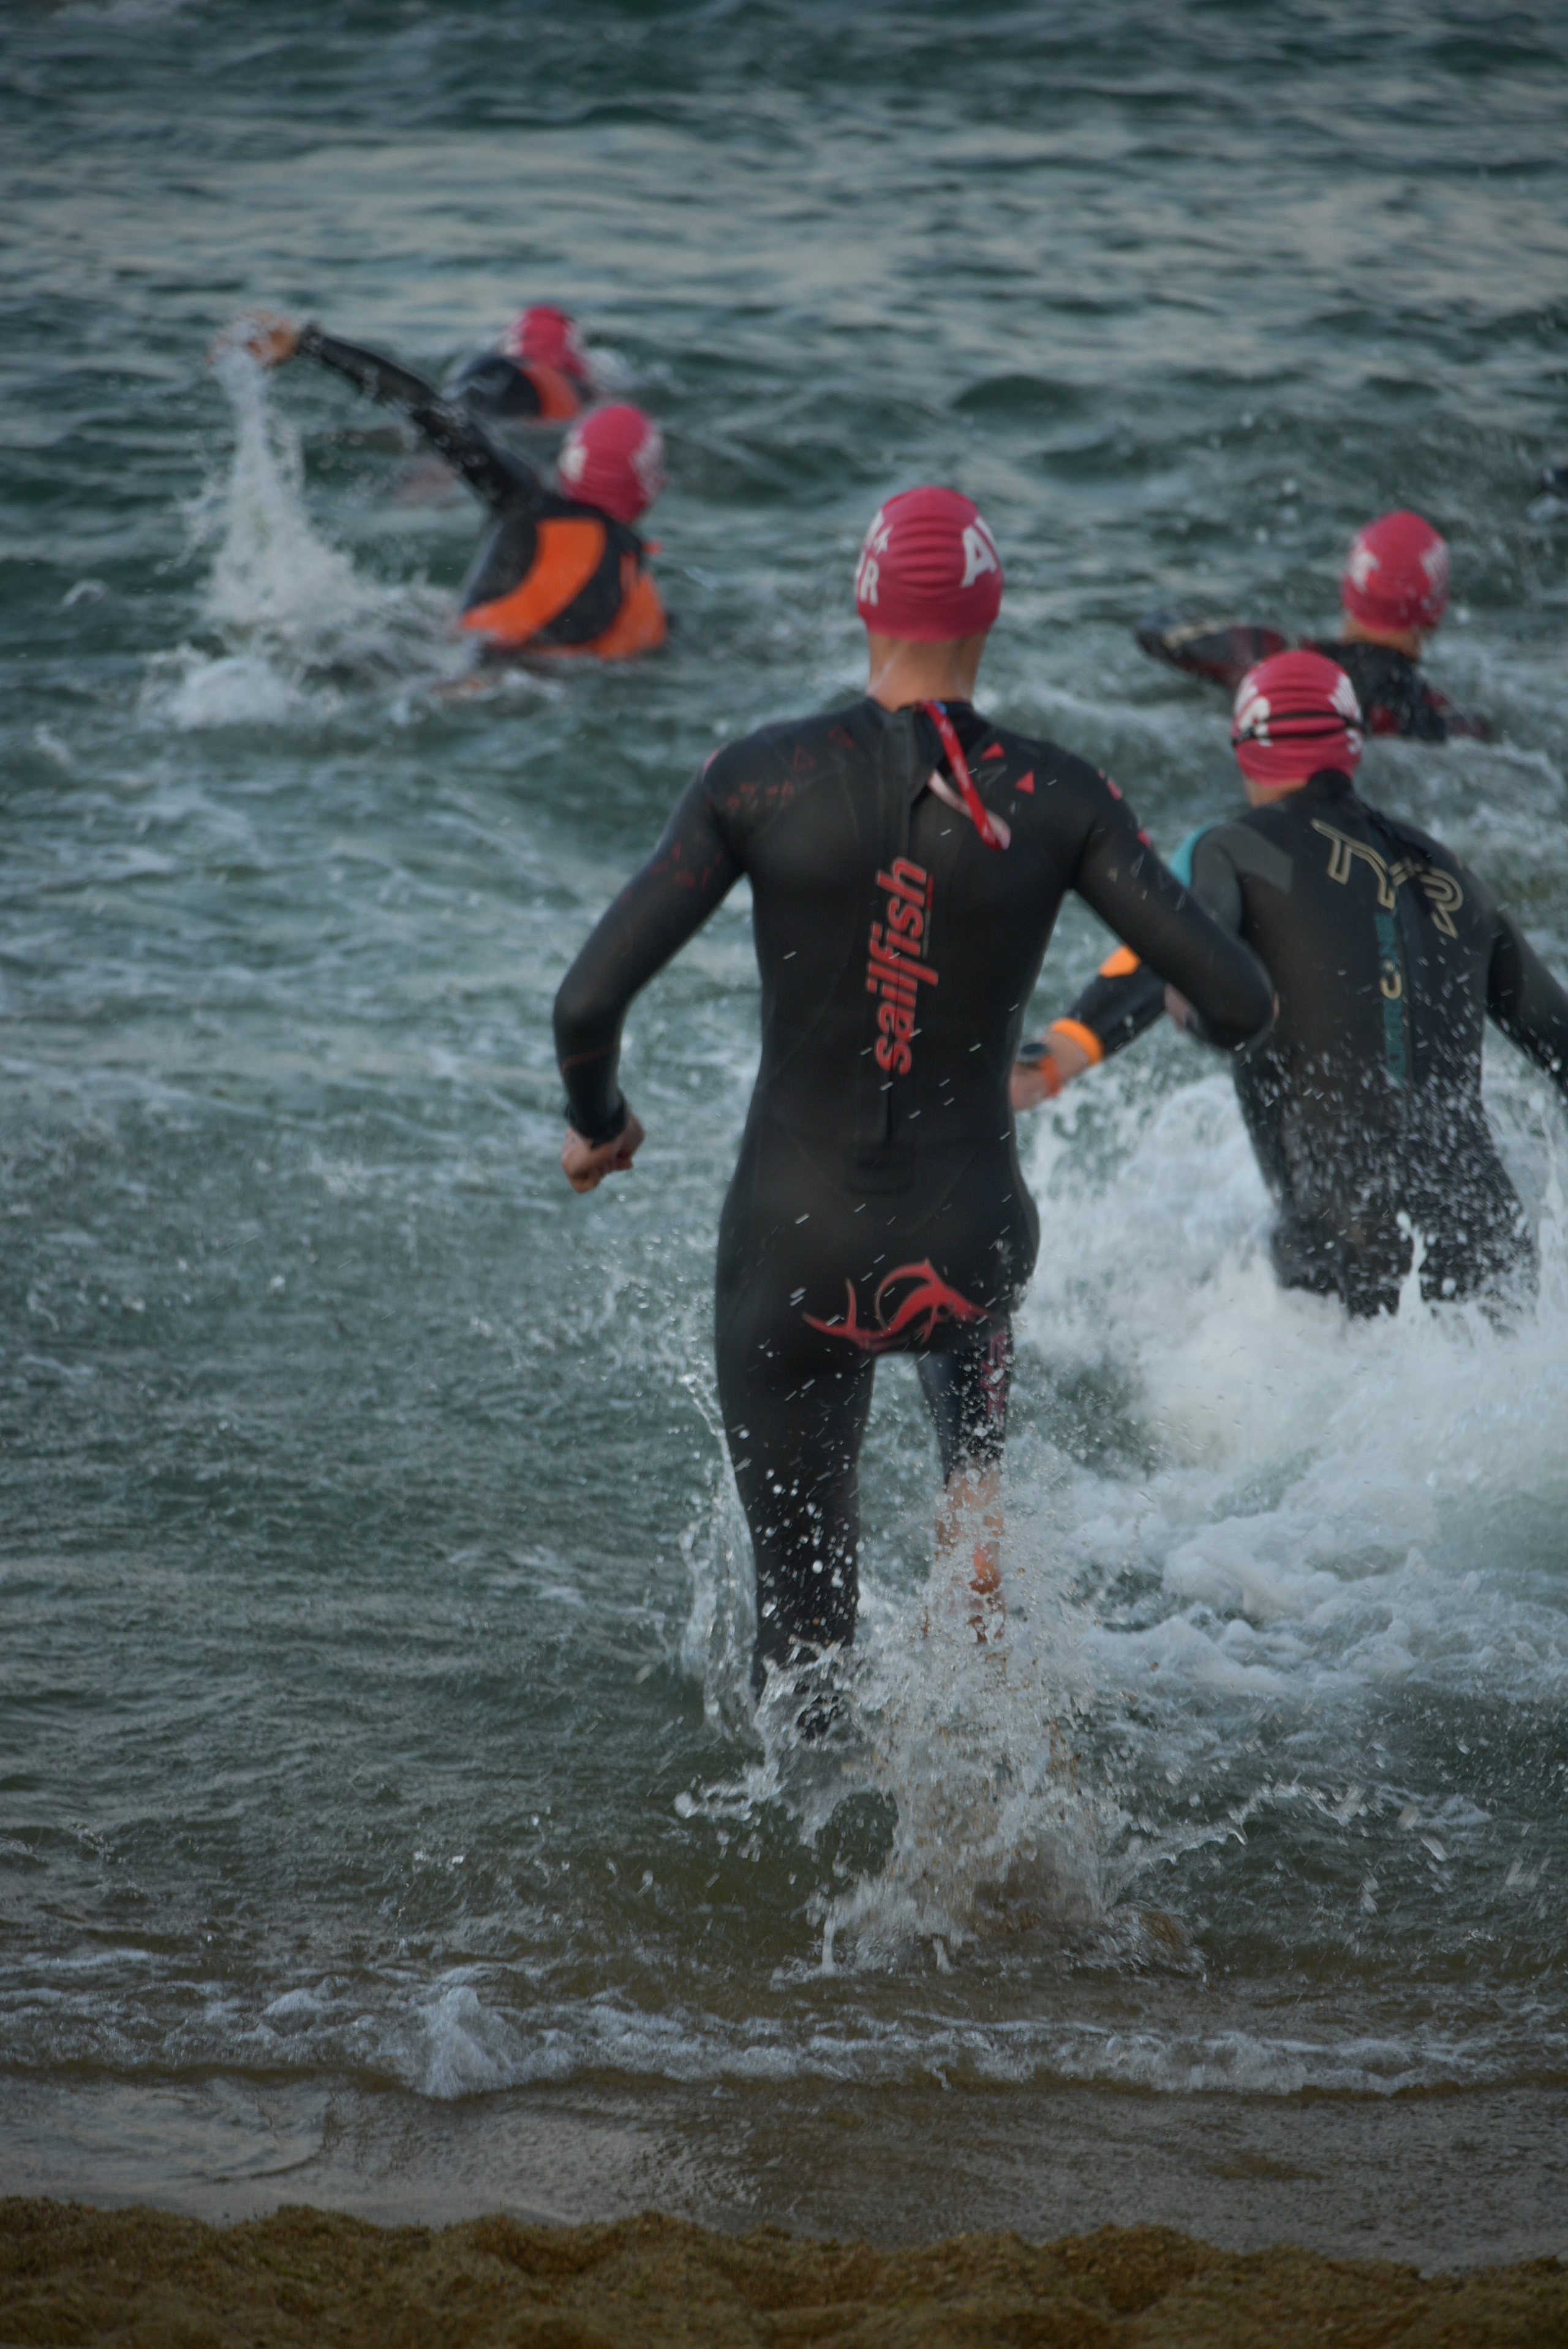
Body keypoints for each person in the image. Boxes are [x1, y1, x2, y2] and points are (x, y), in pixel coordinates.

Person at [553, 489, 1272, 1709]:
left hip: (794, 1249)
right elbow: (1238, 997)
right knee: (961, 1292)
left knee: (803, 1646)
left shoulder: (754, 778)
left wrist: (598, 1124)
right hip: (969, 1238)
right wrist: (1084, 1037)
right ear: (991, 608)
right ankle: (970, 1502)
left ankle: (813, 1817)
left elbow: (584, 1003)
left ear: (863, 603)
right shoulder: (1062, 795)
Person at [1013, 649, 1568, 1317]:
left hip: (1340, 1258)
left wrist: (1054, 1058)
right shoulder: (1453, 874)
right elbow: (1556, 1037)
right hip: (1490, 1249)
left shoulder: (1233, 849)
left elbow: (1174, 943)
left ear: (1245, 750)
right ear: (1352, 747)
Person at [220, 311, 666, 661]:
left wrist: (309, 342)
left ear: (569, 466)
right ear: (649, 489)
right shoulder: (640, 594)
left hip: (448, 663)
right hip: (518, 686)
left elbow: (427, 407)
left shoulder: (523, 500)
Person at [1137, 509, 1487, 741]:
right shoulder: (1448, 719)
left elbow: (1157, 630)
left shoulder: (1271, 657)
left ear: (1347, 588)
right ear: (1436, 611)